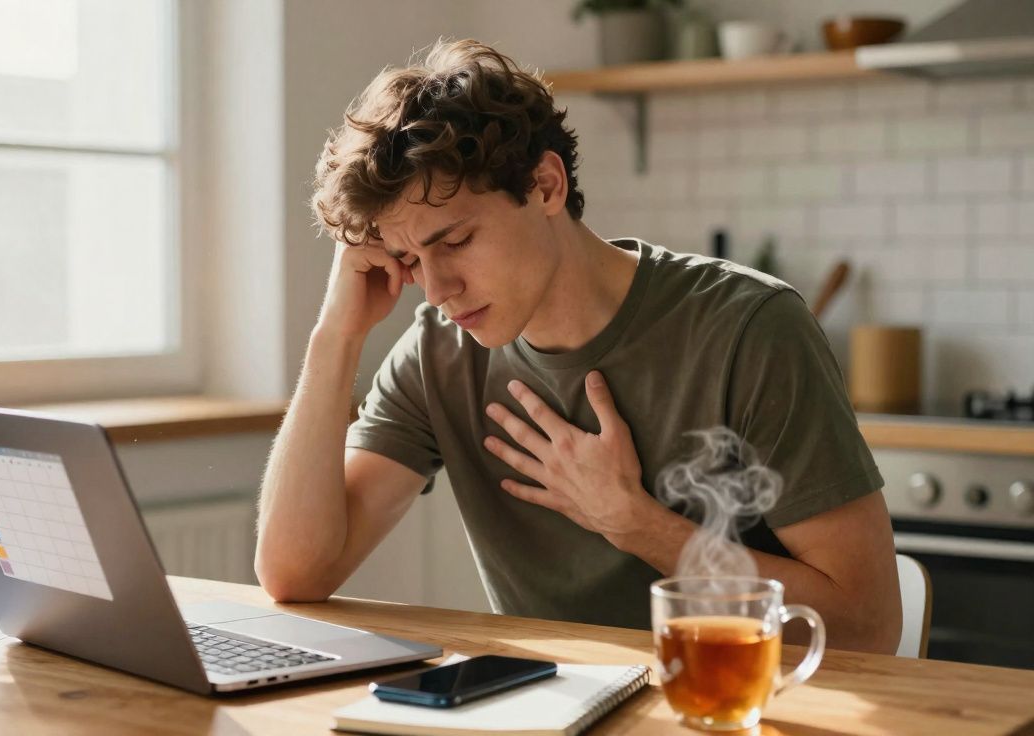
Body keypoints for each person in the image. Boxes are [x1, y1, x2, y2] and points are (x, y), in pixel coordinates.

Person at [254, 39, 902, 654]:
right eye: (406, 258)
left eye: (454, 242)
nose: (436, 290)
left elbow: (867, 626)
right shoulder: (438, 354)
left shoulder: (749, 328)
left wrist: (636, 523)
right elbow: (294, 574)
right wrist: (335, 336)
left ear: (545, 186)